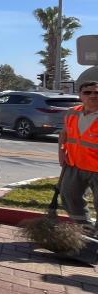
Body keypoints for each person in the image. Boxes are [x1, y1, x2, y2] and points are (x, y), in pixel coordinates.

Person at [58, 80, 98, 229]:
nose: (93, 95)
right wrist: (61, 152)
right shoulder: (72, 112)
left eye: (96, 92)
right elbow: (64, 134)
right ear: (80, 95)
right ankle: (85, 228)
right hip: (74, 165)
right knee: (69, 196)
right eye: (88, 92)